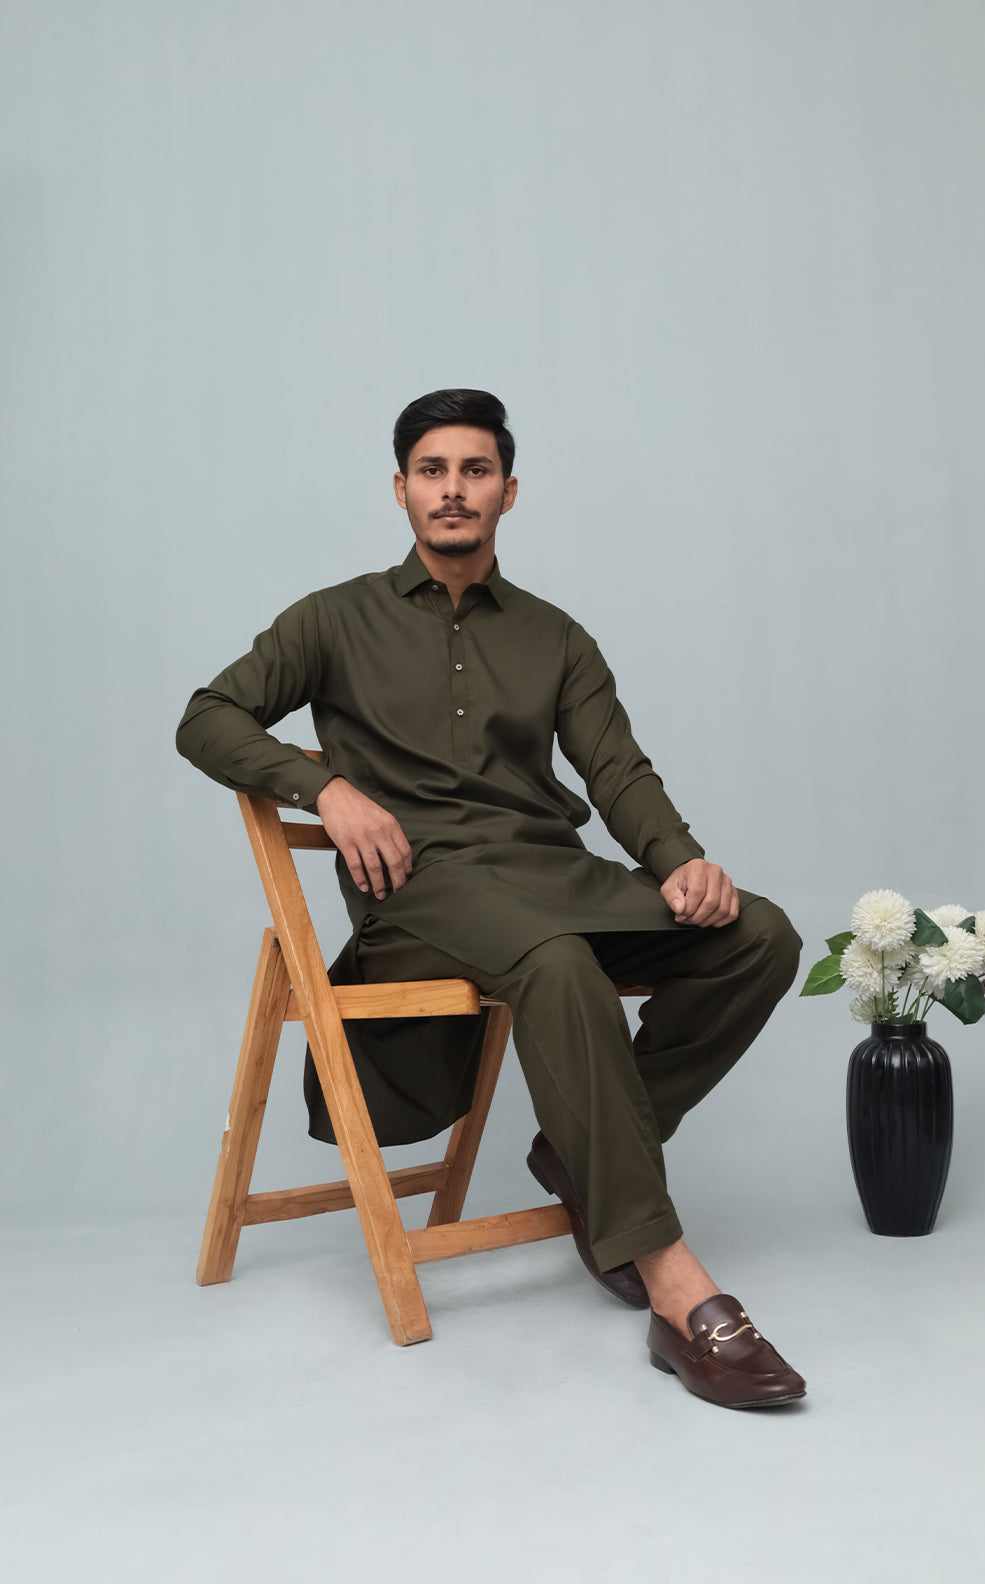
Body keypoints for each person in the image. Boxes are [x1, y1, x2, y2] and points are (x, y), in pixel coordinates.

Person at [176, 389, 806, 1410]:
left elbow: (618, 772)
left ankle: (585, 1157)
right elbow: (207, 718)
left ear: (508, 493)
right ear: (400, 490)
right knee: (557, 963)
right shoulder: (332, 619)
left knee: (759, 935)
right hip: (421, 894)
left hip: (551, 877)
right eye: (432, 471)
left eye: (475, 471)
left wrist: (681, 859)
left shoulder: (556, 636)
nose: (453, 490)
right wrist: (324, 790)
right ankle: (673, 1282)